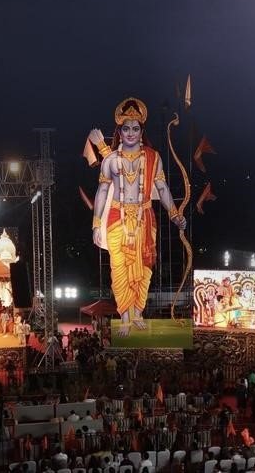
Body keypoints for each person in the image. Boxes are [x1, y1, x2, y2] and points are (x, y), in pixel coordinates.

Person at [90, 97, 186, 336]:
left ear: (141, 132)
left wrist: (174, 214)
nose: (131, 133)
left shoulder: (153, 157)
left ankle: (138, 313)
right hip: (116, 219)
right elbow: (102, 192)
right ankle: (125, 316)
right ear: (119, 132)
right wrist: (96, 224)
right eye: (126, 129)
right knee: (119, 269)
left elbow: (162, 188)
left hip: (145, 218)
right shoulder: (110, 160)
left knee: (144, 270)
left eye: (135, 128)